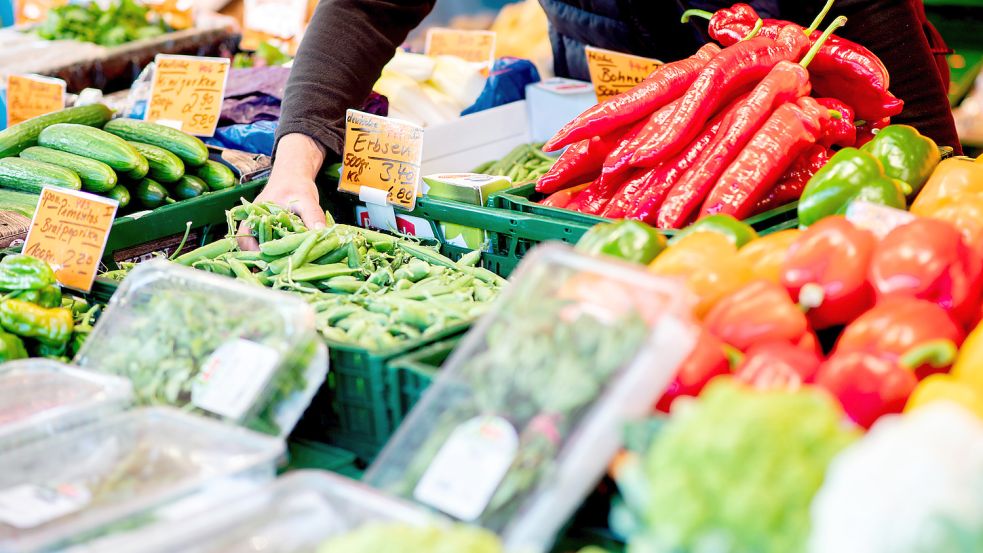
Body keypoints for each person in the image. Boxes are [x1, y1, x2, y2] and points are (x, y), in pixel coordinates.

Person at [254, 0, 957, 231]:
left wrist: (935, 187)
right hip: (617, 131)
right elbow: (367, 7)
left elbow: (883, 42)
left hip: (799, 150)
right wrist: (294, 165)